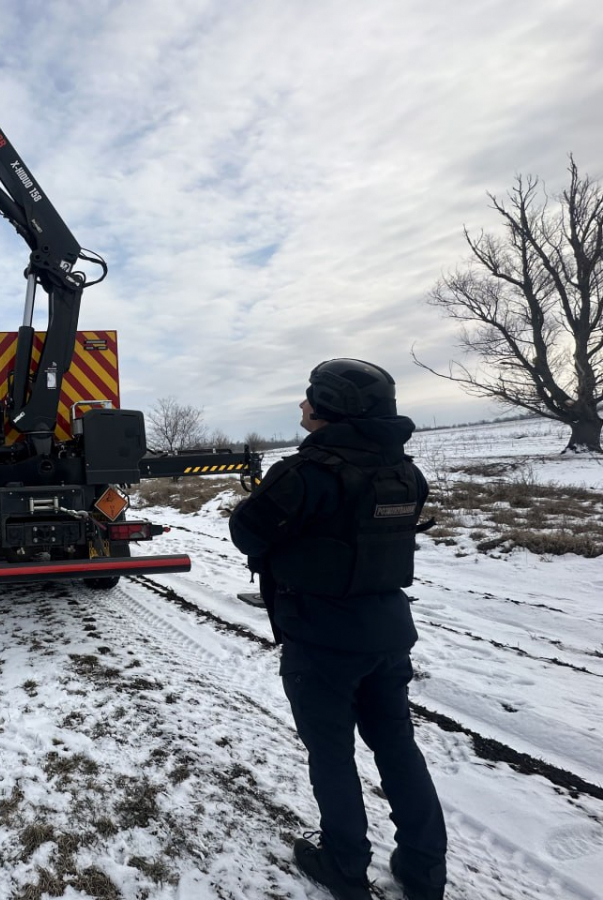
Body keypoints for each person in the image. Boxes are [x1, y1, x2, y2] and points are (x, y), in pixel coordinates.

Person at [228, 359, 447, 900]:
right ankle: (424, 873)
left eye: (310, 398)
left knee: (332, 754)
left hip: (321, 638)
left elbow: (248, 535)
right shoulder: (405, 472)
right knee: (398, 746)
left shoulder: (304, 472)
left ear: (332, 407)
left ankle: (344, 865)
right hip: (389, 632)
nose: (303, 406)